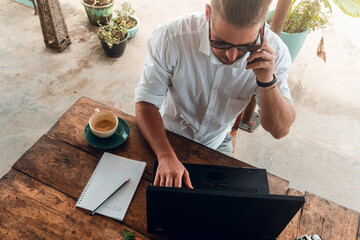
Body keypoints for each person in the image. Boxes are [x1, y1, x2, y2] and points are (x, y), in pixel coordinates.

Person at [135, 0, 295, 189]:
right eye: (221, 43)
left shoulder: (275, 53)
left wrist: (268, 81)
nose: (232, 56)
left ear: (261, 28)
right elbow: (146, 102)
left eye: (246, 47)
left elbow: (280, 130)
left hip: (218, 141)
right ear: (208, 13)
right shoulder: (172, 36)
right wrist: (165, 155)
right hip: (167, 133)